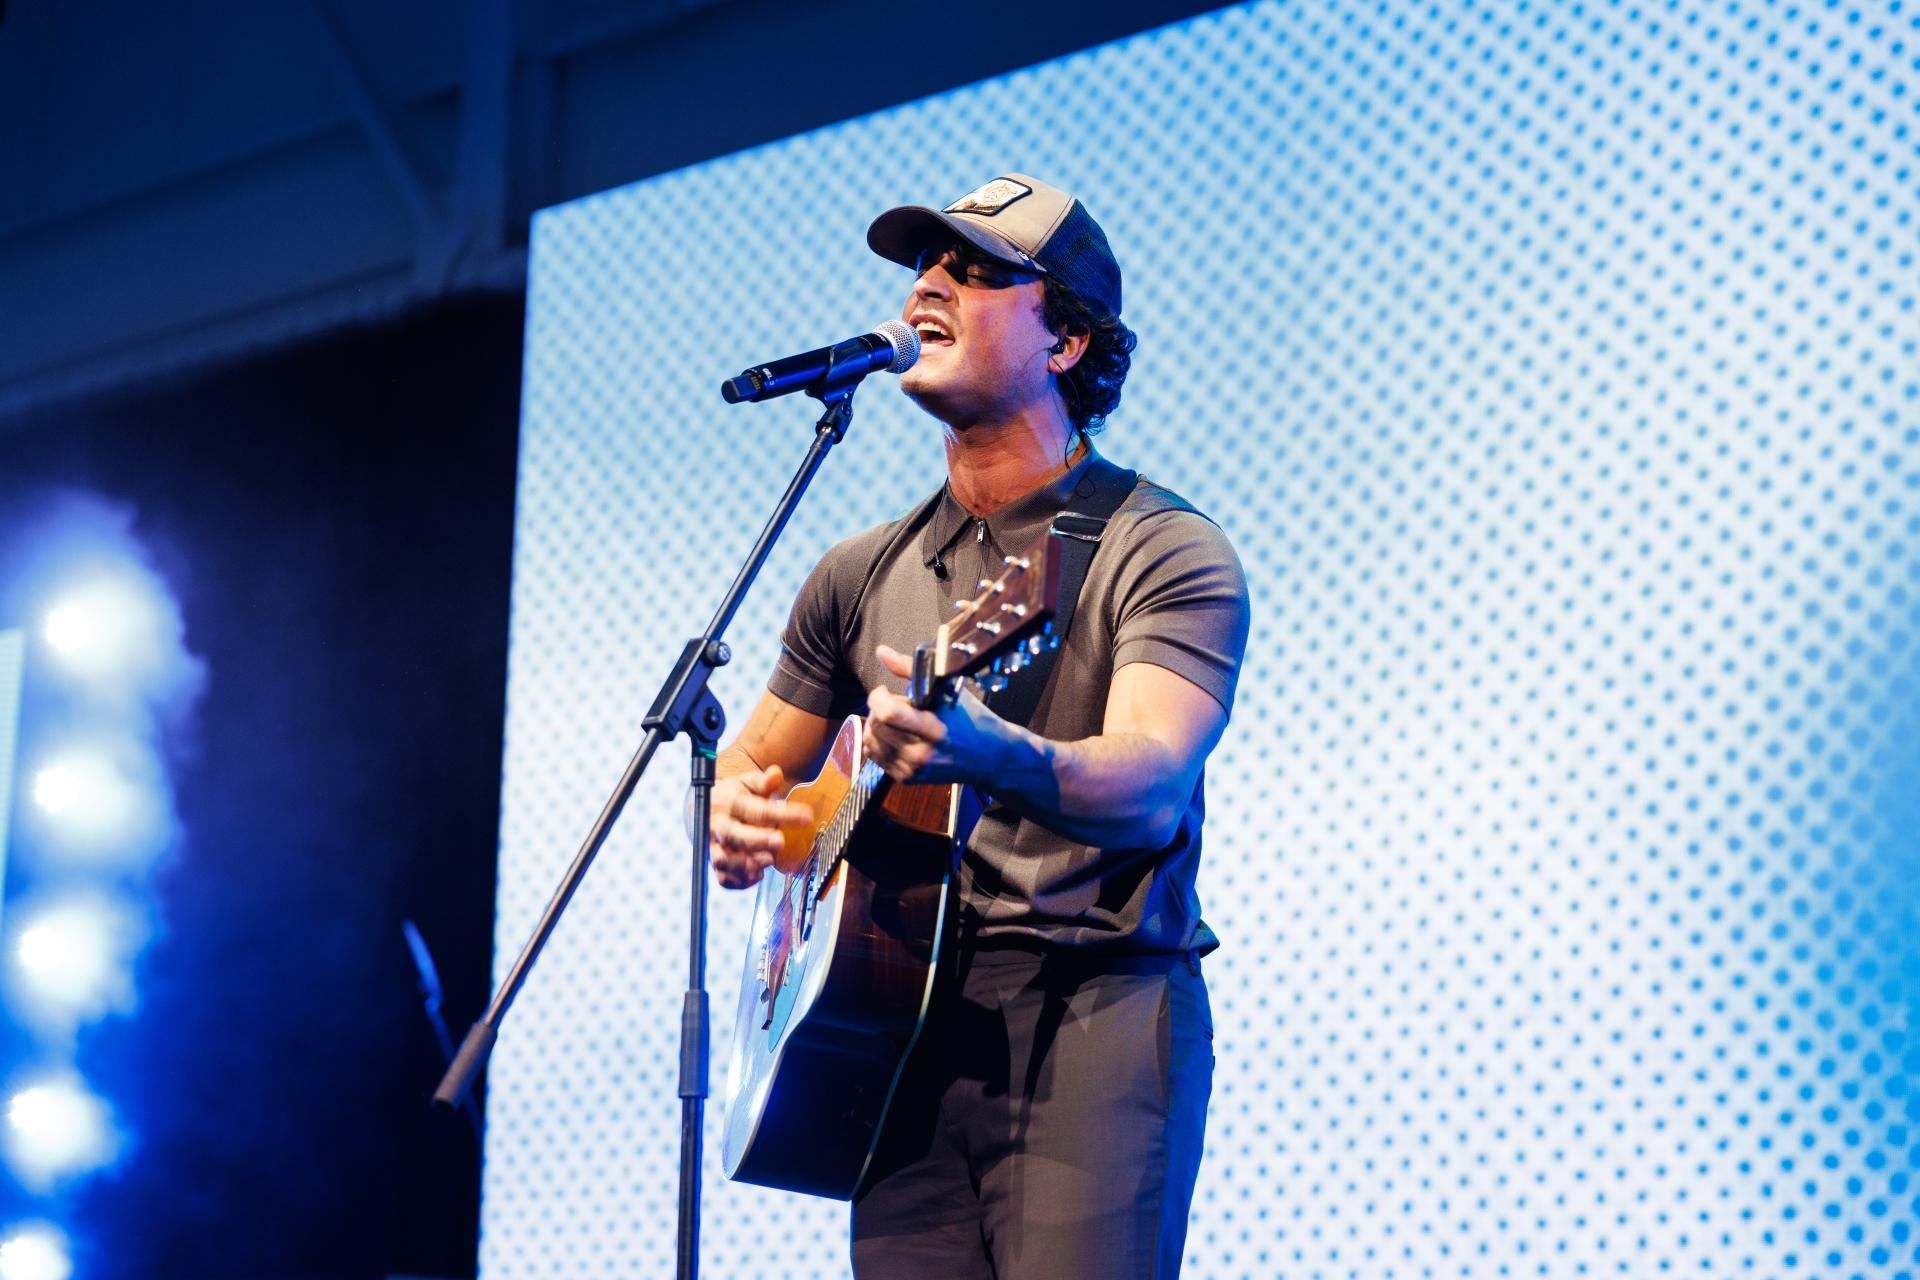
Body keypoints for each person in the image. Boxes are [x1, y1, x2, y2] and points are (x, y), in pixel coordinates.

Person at [708, 173, 1250, 1278]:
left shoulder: (1158, 546)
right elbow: (752, 768)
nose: (929, 286)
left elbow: (1151, 783)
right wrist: (733, 813)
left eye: (976, 270)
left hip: (1091, 1011)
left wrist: (992, 753)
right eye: (924, 266)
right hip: (893, 1029)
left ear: (1065, 342)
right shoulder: (856, 573)